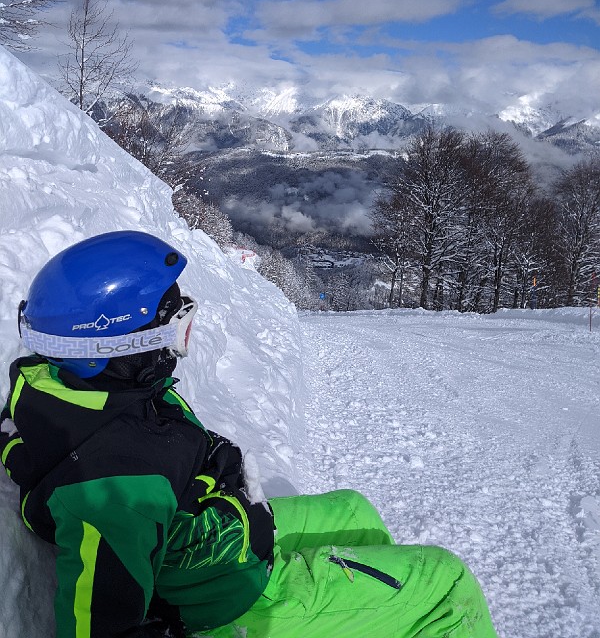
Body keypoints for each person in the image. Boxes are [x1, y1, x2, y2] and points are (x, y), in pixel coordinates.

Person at [0, 230, 499, 638]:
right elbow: (100, 625)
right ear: (116, 345)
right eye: (172, 325)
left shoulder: (75, 388)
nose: (179, 339)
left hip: (217, 535)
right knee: (447, 585)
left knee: (355, 511)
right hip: (231, 599)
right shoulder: (114, 485)